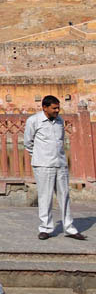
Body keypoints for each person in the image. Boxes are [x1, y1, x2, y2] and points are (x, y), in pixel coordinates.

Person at [24, 95, 86, 240]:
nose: (57, 110)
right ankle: (46, 228)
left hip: (60, 164)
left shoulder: (59, 121)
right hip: (43, 165)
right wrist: (41, 156)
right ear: (44, 108)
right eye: (54, 108)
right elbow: (28, 143)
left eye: (58, 108)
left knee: (64, 196)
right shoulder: (33, 121)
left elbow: (60, 140)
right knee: (45, 197)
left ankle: (69, 228)